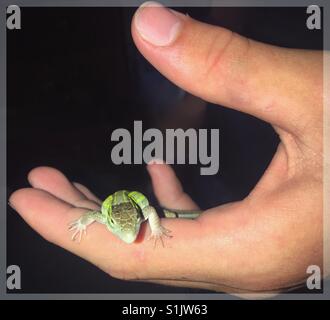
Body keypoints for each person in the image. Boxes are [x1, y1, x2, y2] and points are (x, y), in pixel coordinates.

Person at [9, 2, 324, 295]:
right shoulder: (107, 216)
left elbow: (138, 213)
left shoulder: (129, 214)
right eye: (125, 227)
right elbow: (92, 216)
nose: (132, 235)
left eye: (129, 226)